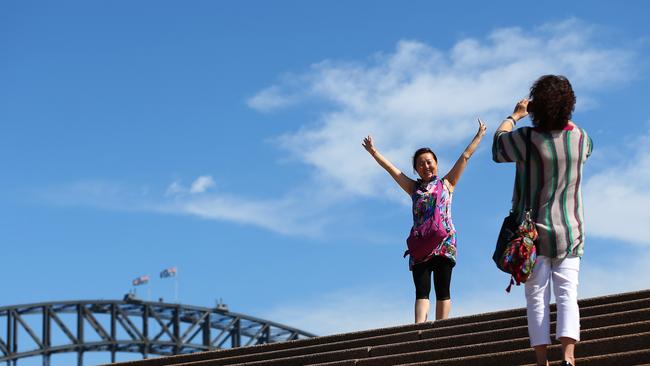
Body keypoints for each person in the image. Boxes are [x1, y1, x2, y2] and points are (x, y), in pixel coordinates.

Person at [492, 75, 593, 366]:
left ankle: (541, 360)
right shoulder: (581, 138)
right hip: (570, 229)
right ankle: (569, 357)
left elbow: (498, 147)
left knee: (536, 295)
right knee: (567, 294)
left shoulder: (526, 139)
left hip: (531, 235)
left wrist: (515, 115)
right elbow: (587, 151)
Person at [362, 119, 487, 323]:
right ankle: (418, 330)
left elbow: (465, 156)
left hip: (444, 243)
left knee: (442, 288)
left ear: (436, 164)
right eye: (421, 164)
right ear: (416, 169)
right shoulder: (414, 188)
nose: (426, 166)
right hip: (420, 244)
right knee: (421, 290)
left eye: (429, 161)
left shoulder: (447, 184)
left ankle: (440, 329)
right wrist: (374, 152)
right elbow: (392, 170)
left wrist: (479, 135)